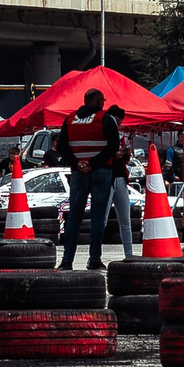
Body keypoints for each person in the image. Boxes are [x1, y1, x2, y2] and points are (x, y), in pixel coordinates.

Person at [55, 88, 126, 270]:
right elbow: (113, 146)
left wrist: (78, 163)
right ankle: (94, 259)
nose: (103, 103)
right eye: (102, 100)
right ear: (98, 100)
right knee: (98, 217)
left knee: (74, 217)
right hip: (101, 172)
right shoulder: (106, 118)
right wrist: (92, 163)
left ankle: (67, 261)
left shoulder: (70, 119)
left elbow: (61, 145)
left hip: (78, 174)